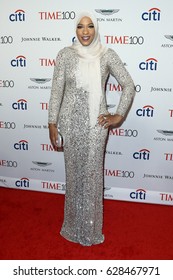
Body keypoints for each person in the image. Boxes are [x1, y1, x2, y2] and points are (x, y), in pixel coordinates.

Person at [48, 11, 135, 246]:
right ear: (75, 30)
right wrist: (52, 123)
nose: (85, 31)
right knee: (74, 175)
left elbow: (128, 85)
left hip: (96, 126)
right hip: (69, 124)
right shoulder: (65, 55)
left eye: (89, 26)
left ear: (96, 29)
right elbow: (56, 92)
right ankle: (72, 227)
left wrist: (118, 115)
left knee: (92, 177)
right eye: (80, 26)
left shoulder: (107, 55)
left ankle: (90, 231)